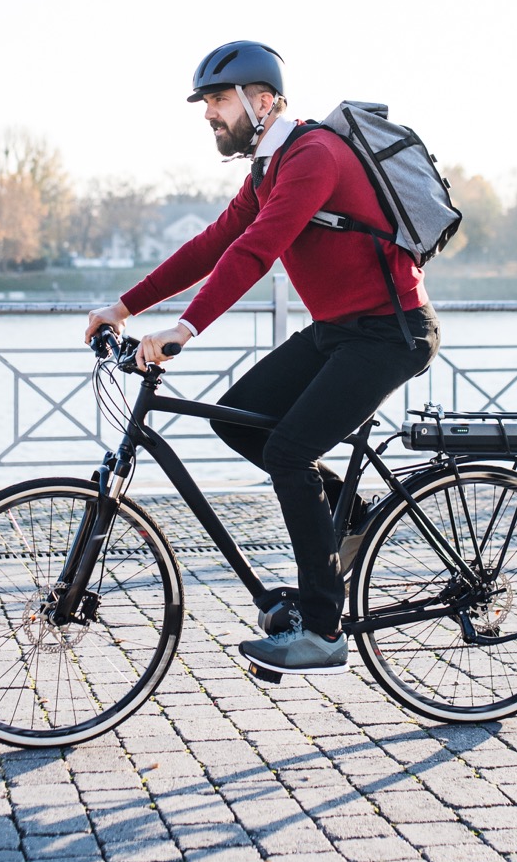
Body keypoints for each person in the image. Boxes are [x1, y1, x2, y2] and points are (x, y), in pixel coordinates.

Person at [84, 40, 441, 676]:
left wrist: (185, 329)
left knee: (286, 452)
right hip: (339, 329)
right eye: (206, 103)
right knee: (236, 416)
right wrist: (124, 307)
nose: (208, 114)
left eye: (218, 100)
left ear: (264, 100)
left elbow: (258, 252)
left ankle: (325, 630)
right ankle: (348, 510)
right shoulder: (267, 168)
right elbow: (215, 244)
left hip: (391, 334)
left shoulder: (313, 157)